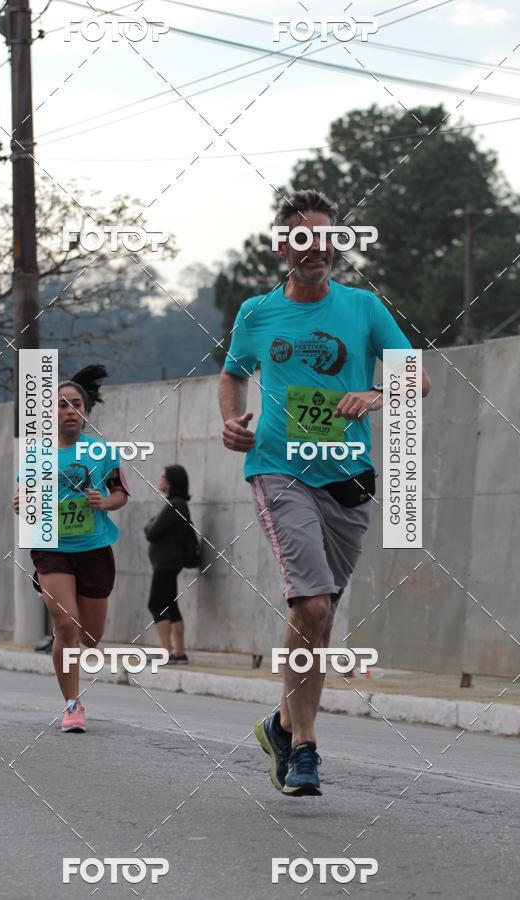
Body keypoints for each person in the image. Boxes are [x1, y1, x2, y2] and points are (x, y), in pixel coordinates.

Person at [219, 189, 431, 796]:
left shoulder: (363, 308)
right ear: (284, 247)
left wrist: (377, 396)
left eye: (328, 236)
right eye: (304, 237)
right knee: (309, 605)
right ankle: (306, 749)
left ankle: (282, 726)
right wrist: (232, 420)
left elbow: (415, 376)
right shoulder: (256, 313)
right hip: (279, 469)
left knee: (322, 613)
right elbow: (232, 373)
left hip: (349, 478)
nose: (318, 247)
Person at [14, 366, 129, 733]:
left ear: (85, 410)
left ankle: (76, 654)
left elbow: (121, 494)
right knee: (66, 626)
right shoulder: (36, 454)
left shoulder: (103, 452)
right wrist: (20, 503)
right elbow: (23, 496)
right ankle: (72, 704)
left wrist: (104, 502)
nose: (69, 411)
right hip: (51, 547)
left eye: (75, 404)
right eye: (61, 405)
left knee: (90, 637)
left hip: (94, 547)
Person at [144, 465, 191, 664]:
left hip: (165, 564)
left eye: (163, 477)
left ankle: (167, 651)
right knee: (171, 606)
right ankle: (179, 652)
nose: (160, 480)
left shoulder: (175, 505)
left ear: (171, 482)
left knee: (155, 604)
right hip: (169, 563)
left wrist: (149, 525)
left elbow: (152, 531)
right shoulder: (176, 504)